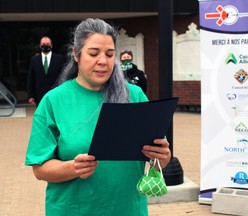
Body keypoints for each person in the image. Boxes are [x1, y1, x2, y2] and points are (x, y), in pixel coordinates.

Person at [25, 18, 171, 216]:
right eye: (93, 53)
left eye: (110, 54)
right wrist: (72, 168)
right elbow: (40, 169)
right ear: (76, 55)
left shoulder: (134, 95)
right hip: (73, 210)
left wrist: (162, 156)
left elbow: (158, 157)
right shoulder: (53, 102)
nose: (103, 61)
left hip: (127, 209)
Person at [26, 36, 64, 106]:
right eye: (43, 44)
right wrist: (30, 95)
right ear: (40, 46)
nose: (45, 45)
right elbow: (31, 78)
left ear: (51, 46)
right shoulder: (34, 60)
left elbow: (63, 76)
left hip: (55, 93)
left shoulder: (59, 59)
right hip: (39, 95)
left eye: (47, 44)